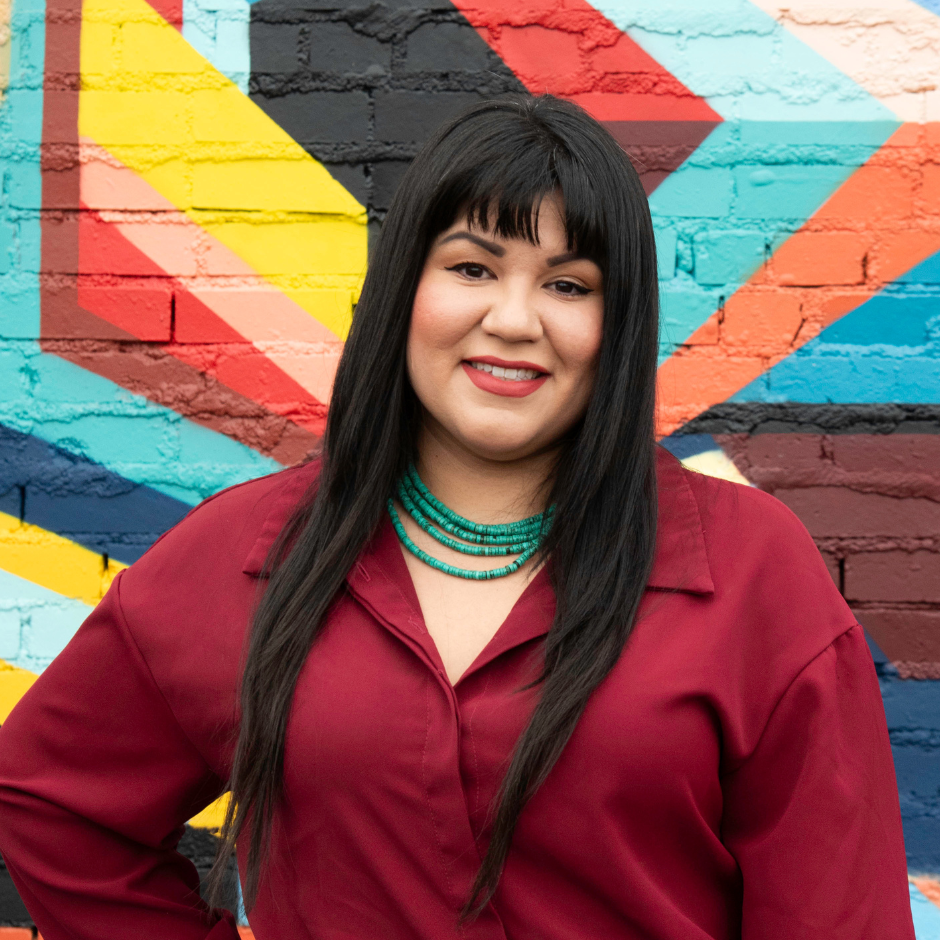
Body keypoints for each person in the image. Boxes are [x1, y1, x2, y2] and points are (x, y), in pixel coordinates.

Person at [0, 95, 915, 940]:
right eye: (473, 267)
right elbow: (50, 799)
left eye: (568, 284)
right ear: (406, 292)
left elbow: (840, 919)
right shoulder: (243, 557)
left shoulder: (752, 574)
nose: (514, 320)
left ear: (618, 324)